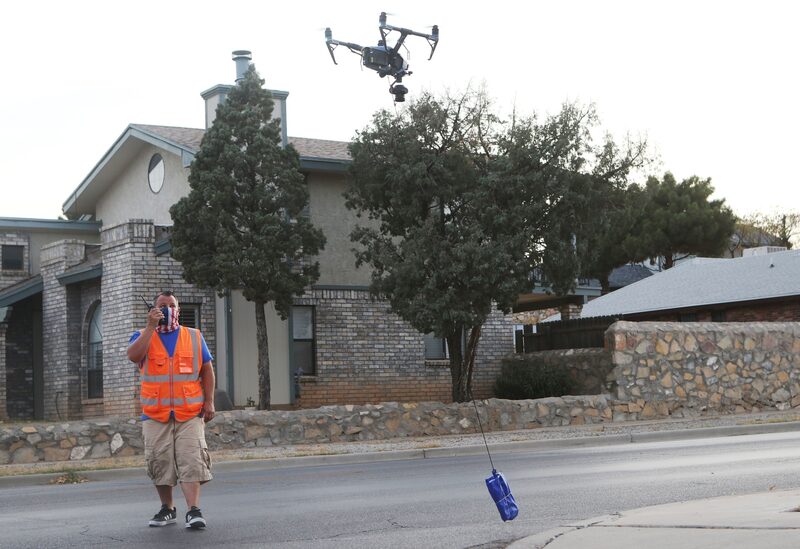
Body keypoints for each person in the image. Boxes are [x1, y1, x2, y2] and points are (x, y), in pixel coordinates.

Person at [127, 291, 216, 529]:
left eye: (171, 305)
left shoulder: (194, 336)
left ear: (178, 309)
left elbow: (206, 370)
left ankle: (194, 510)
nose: (167, 309)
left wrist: (209, 401)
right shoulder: (141, 335)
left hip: (190, 413)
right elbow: (133, 356)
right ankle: (167, 509)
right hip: (155, 415)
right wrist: (150, 327)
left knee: (191, 459)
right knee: (159, 462)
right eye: (162, 305)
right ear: (152, 309)